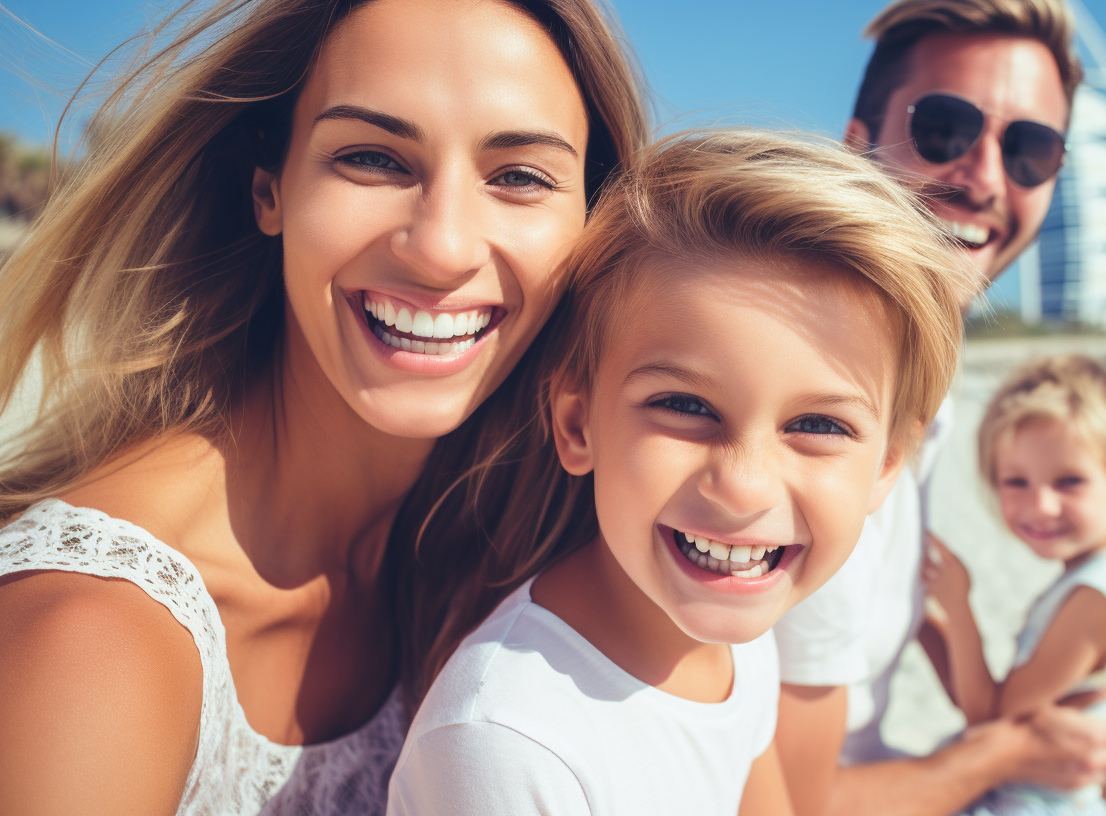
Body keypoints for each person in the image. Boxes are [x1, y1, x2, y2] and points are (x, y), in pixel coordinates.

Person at [0, 0, 646, 813]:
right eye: (374, 158)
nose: (442, 247)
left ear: (592, 222)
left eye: (518, 176)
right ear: (269, 190)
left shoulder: (510, 560)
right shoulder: (92, 643)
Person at [385, 130, 971, 815]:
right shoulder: (506, 743)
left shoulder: (740, 634)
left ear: (886, 468)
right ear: (578, 425)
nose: (745, 487)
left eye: (818, 425)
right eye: (685, 406)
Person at [772, 3, 1106, 815]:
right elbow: (783, 803)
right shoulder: (814, 410)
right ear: (854, 145)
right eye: (944, 127)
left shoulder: (924, 397)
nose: (985, 177)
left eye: (1030, 149)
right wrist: (1017, 749)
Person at [923, 355, 1106, 815]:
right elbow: (987, 700)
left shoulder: (1093, 602)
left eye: (1069, 481)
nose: (1040, 504)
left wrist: (957, 609)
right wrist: (922, 623)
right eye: (1015, 481)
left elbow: (989, 718)